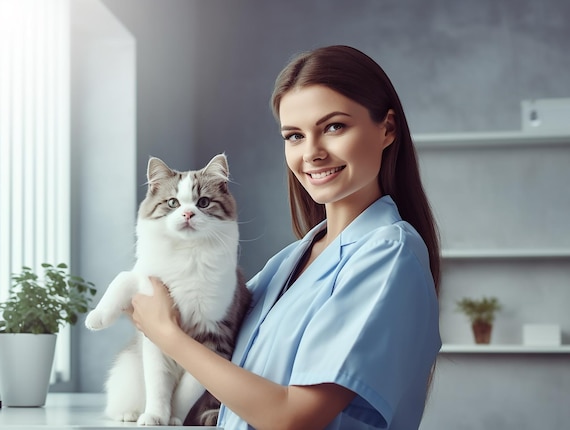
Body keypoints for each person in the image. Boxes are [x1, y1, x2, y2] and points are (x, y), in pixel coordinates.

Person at [131, 45, 441, 430]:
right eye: (294, 135)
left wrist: (167, 334)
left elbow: (292, 418)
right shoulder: (289, 261)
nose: (312, 153)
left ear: (387, 129)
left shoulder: (389, 256)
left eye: (333, 127)